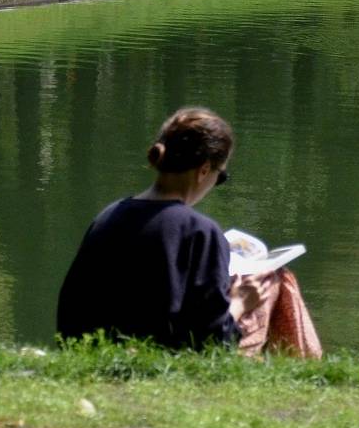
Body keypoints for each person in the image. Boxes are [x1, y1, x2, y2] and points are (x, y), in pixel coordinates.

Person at [56, 106, 320, 356]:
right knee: (275, 281)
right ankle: (306, 369)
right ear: (204, 170)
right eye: (220, 176)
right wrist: (240, 302)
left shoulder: (109, 214)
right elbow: (212, 342)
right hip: (162, 357)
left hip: (87, 348)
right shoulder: (200, 231)